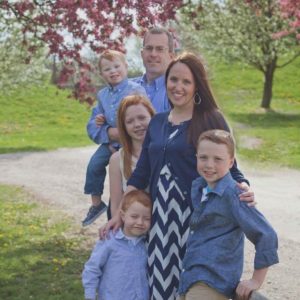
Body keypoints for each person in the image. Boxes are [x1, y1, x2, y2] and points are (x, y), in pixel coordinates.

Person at [104, 52, 255, 300]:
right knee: (160, 286)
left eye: (186, 81)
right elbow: (141, 173)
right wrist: (119, 213)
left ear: (196, 85)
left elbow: (231, 165)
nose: (178, 86)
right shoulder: (158, 122)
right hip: (160, 220)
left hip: (195, 219)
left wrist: (245, 187)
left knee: (190, 286)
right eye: (174, 79)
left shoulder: (210, 119)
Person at [178, 129, 279, 300]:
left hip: (213, 282)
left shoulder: (234, 194)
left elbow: (267, 235)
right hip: (191, 278)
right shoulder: (199, 187)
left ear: (231, 162)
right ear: (196, 157)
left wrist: (255, 281)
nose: (209, 164)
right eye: (203, 158)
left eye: (218, 159)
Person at [82, 49, 147, 226]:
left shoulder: (135, 89)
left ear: (126, 67)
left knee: (124, 179)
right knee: (94, 164)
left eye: (117, 66)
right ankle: (96, 204)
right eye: (107, 69)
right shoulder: (102, 95)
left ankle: (126, 215)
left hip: (130, 143)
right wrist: (100, 120)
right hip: (110, 142)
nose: (113, 71)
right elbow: (96, 123)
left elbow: (144, 116)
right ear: (102, 74)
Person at [82, 190, 152, 300]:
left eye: (146, 218)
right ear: (123, 216)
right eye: (134, 216)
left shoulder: (147, 243)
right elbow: (92, 268)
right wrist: (90, 295)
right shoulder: (110, 240)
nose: (140, 222)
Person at [109, 94, 155, 217]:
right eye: (129, 121)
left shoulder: (165, 152)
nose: (137, 124)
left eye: (142, 118)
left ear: (153, 117)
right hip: (134, 230)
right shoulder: (117, 160)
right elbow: (116, 205)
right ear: (123, 127)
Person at [133, 26, 175, 112]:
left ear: (171, 56)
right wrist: (109, 126)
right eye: (149, 48)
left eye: (160, 49)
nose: (153, 54)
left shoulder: (177, 91)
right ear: (142, 54)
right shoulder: (126, 87)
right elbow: (98, 119)